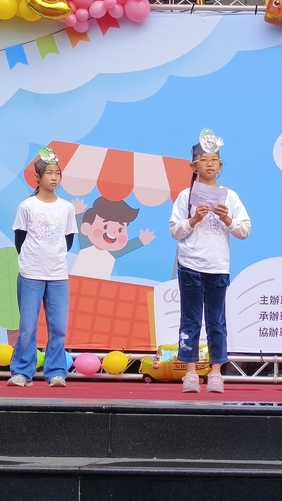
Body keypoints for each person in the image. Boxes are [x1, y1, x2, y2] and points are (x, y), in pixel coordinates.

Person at [169, 128, 251, 394]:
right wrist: (194, 219)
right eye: (203, 160)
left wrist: (227, 218)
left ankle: (216, 372)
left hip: (217, 266)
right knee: (190, 320)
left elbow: (244, 231)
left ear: (221, 165)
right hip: (191, 266)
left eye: (214, 160)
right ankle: (191, 372)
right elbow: (175, 231)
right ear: (193, 166)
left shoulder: (230, 196)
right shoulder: (186, 197)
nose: (209, 164)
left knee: (216, 321)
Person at [9, 147, 78, 388]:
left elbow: (68, 239)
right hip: (31, 274)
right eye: (49, 173)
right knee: (28, 327)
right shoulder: (27, 206)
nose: (54, 177)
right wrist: (33, 259)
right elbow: (20, 239)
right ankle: (22, 372)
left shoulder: (67, 207)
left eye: (57, 173)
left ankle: (56, 372)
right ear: (37, 178)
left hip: (58, 275)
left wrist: (54, 257)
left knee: (58, 327)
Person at [71, 197, 155, 279]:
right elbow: (81, 228)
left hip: (100, 285)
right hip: (77, 280)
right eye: (105, 226)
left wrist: (141, 241)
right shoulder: (86, 244)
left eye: (120, 230)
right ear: (87, 228)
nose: (113, 232)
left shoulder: (112, 253)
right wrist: (78, 213)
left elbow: (128, 247)